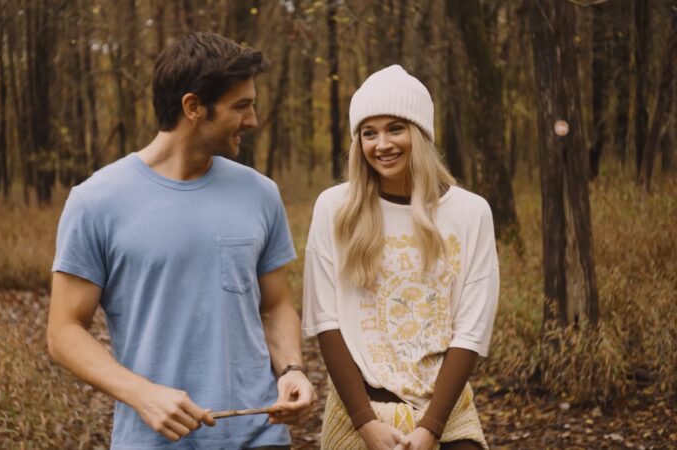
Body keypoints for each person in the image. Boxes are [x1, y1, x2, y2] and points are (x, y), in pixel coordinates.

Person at [47, 32, 314, 450]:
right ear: (193, 107)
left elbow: (276, 304)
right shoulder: (96, 201)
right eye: (241, 106)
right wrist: (142, 394)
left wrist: (292, 369)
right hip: (152, 440)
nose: (253, 120)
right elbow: (64, 330)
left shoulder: (261, 193)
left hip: (259, 436)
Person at [302, 65, 499, 450]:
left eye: (396, 128)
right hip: (358, 411)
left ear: (421, 134)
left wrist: (431, 427)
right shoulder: (334, 208)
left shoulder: (470, 212)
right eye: (368, 133)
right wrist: (365, 423)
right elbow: (326, 321)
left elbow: (471, 330)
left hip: (446, 410)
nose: (382, 144)